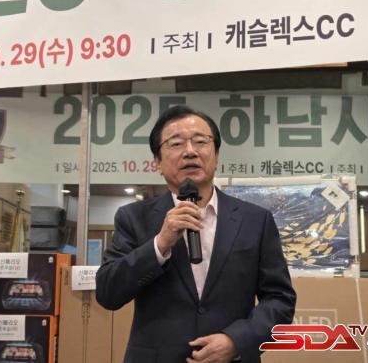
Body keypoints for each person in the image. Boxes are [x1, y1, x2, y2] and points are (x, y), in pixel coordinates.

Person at [96, 105, 296, 363]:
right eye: (176, 143)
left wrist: (236, 341)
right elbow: (108, 293)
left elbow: (280, 300)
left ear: (216, 154)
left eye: (201, 141)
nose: (190, 151)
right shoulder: (133, 217)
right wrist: (160, 244)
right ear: (157, 163)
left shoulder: (256, 220)